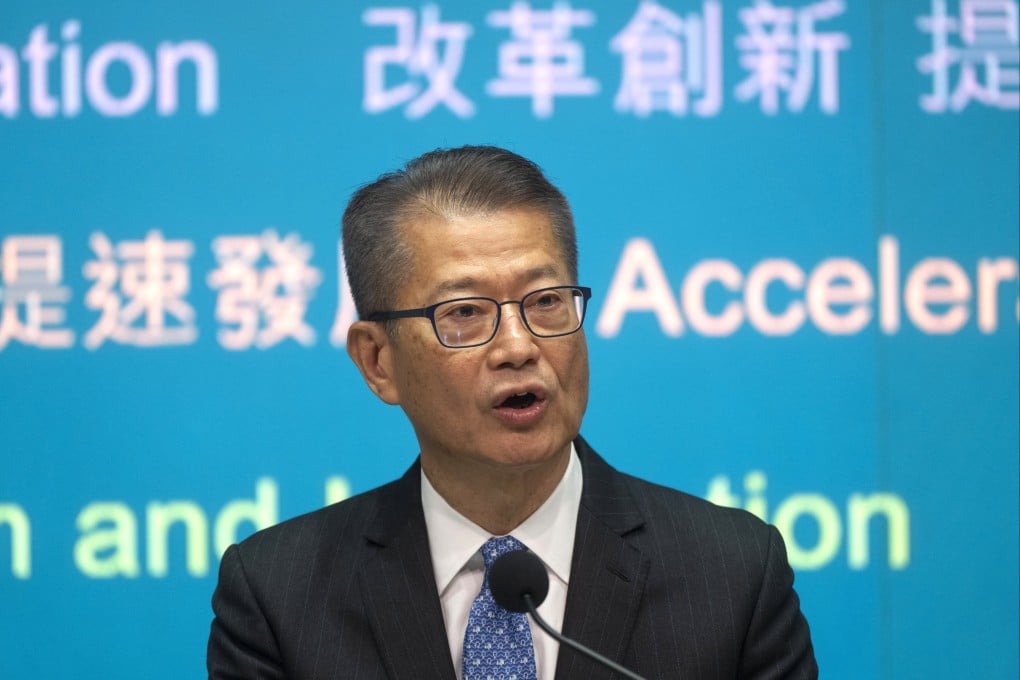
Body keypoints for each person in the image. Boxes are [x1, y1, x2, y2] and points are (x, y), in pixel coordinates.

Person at [207, 145, 818, 679]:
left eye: (546, 300)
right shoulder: (280, 595)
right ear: (377, 361)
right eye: (465, 312)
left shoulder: (733, 574)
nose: (520, 347)